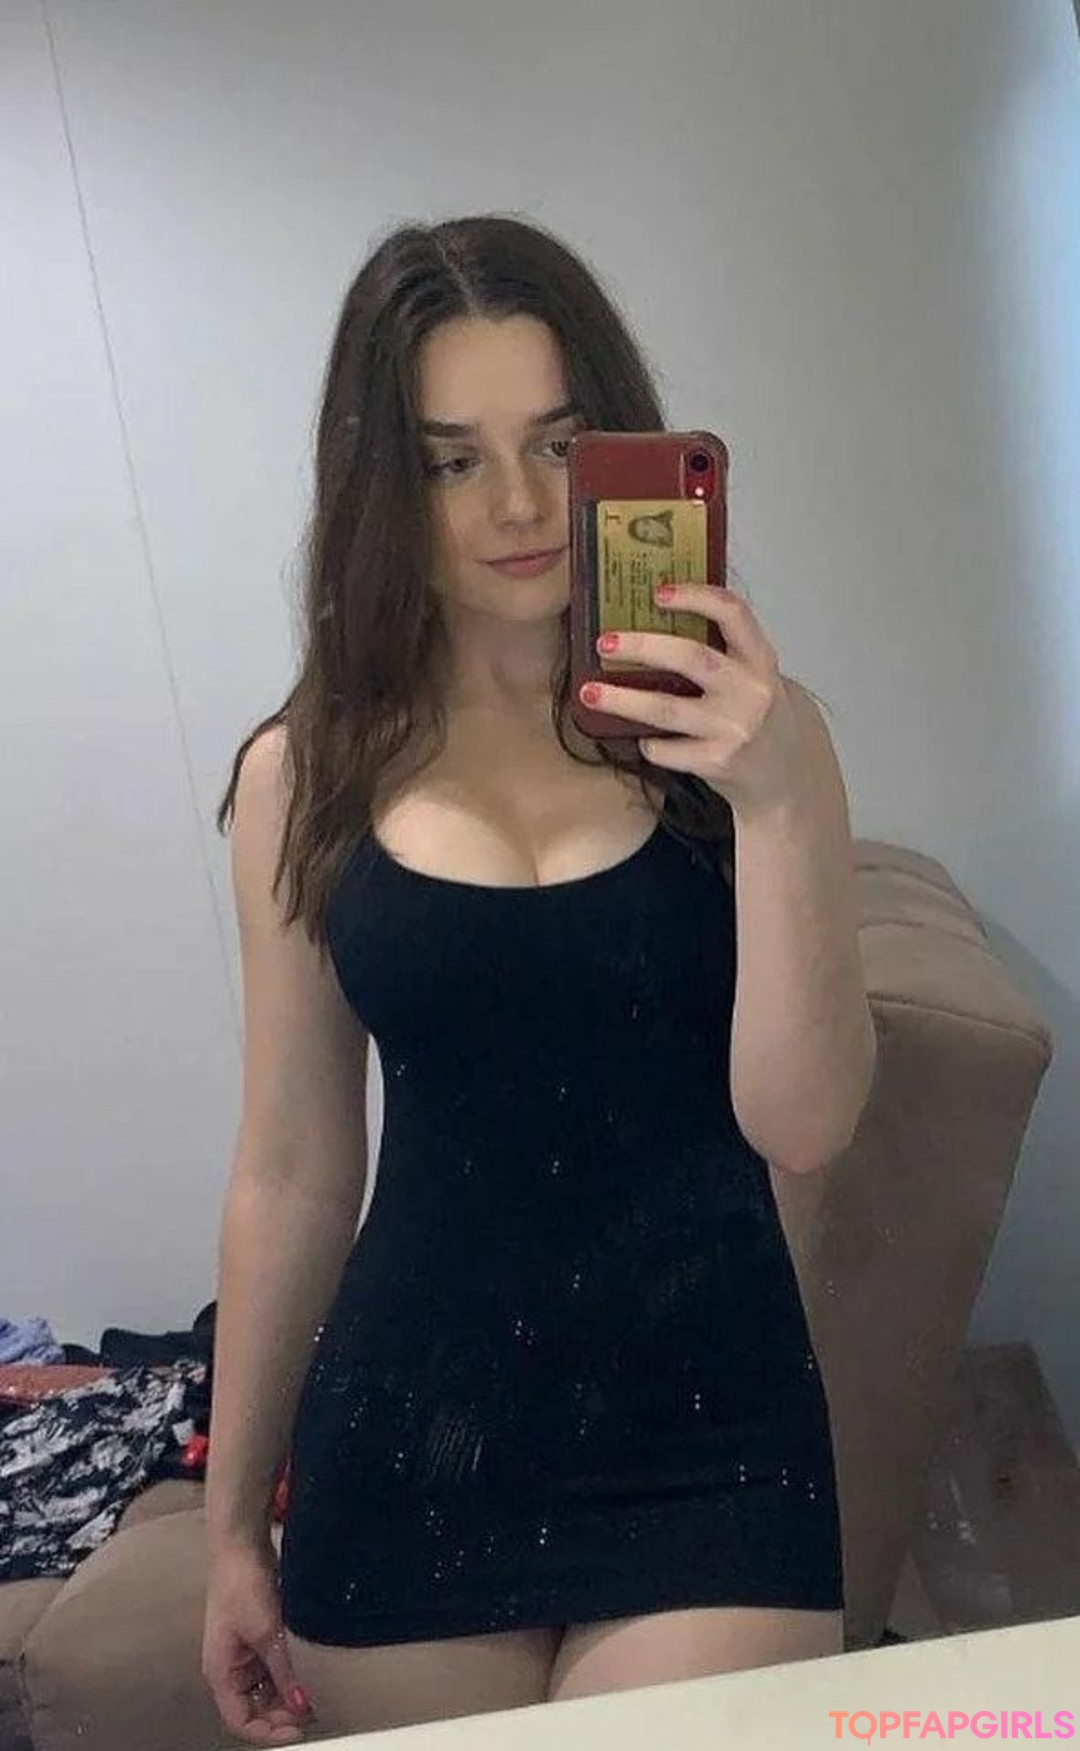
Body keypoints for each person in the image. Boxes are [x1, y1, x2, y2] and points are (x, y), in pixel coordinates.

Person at [201, 213, 878, 1746]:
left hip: (710, 1430)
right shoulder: (302, 777)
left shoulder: (758, 744)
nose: (517, 504)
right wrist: (234, 1527)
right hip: (407, 1444)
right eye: (451, 460)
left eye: (560, 444)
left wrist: (777, 802)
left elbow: (808, 1124)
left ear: (624, 454)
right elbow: (294, 1166)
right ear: (382, 486)